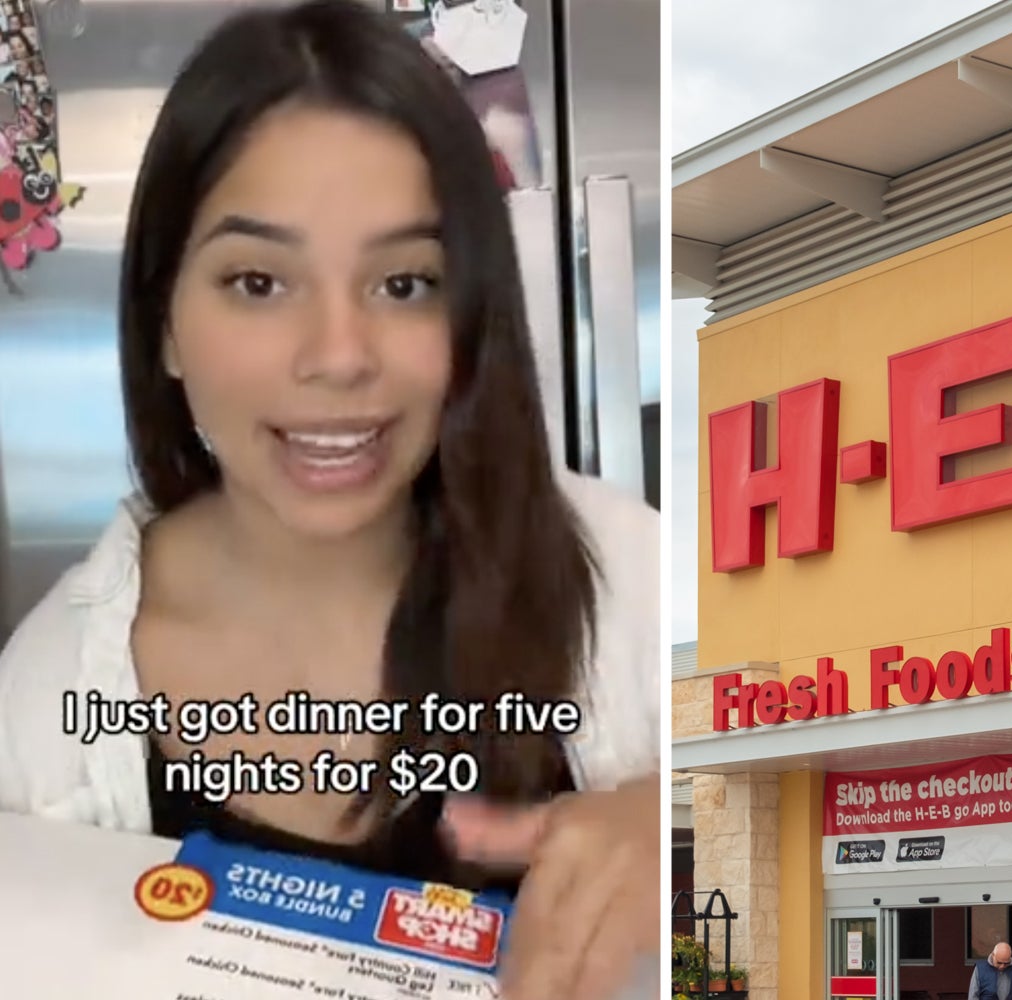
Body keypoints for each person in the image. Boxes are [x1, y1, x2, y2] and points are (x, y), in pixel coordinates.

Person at [0, 4, 659, 1000]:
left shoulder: (639, 586)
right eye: (259, 280)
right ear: (165, 321)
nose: (340, 356)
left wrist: (691, 828)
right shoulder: (41, 719)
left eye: (404, 283)